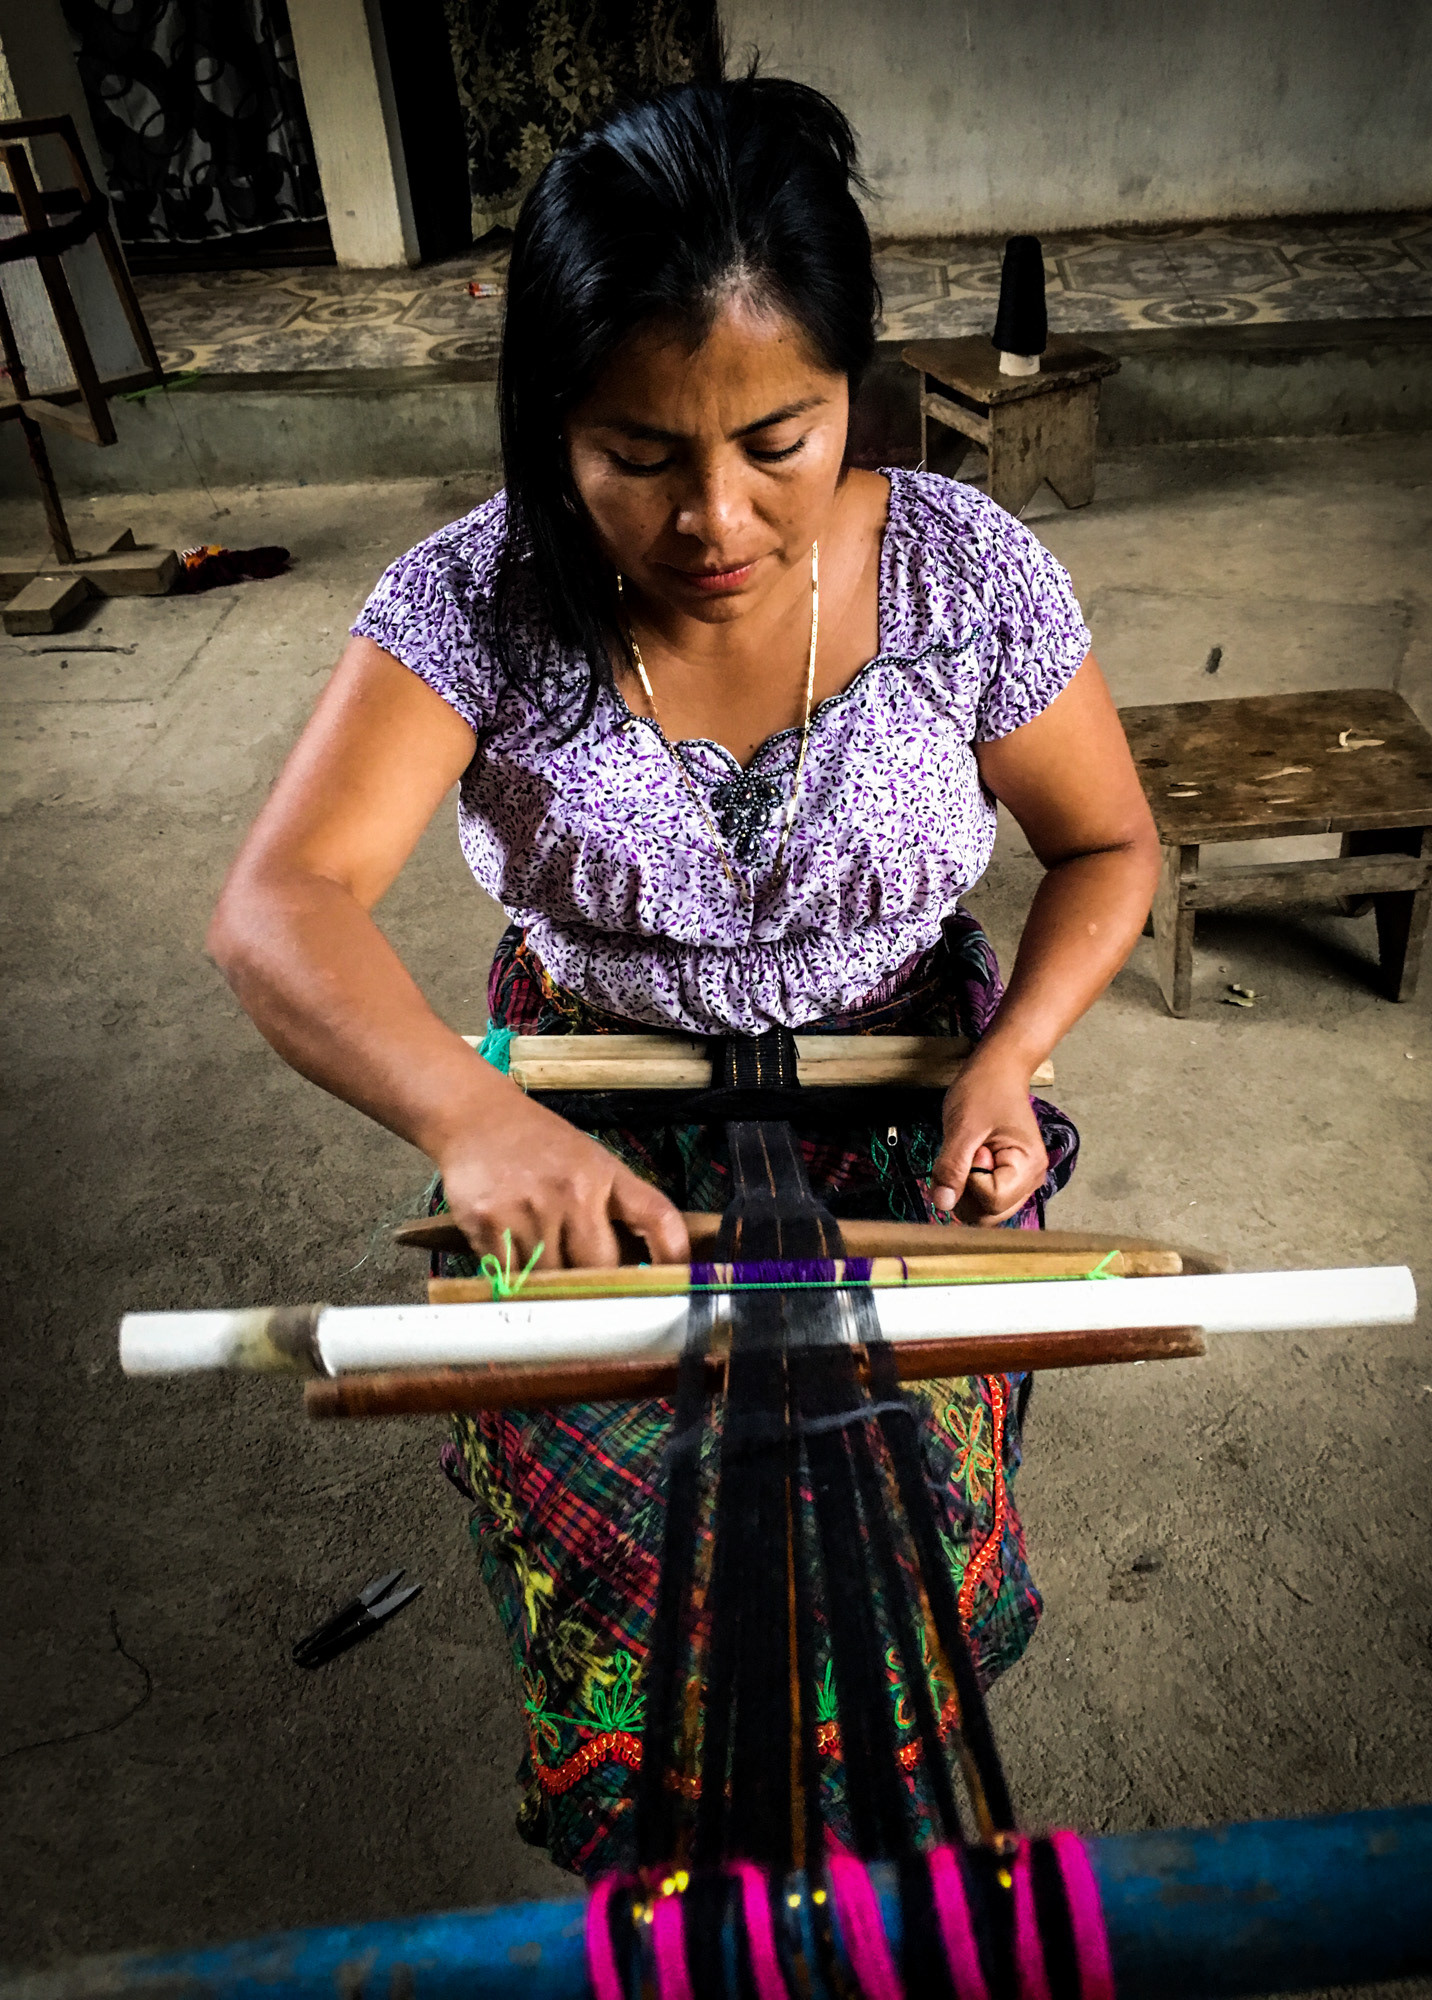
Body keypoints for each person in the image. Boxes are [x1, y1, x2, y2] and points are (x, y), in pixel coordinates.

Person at [209, 76, 1160, 1873]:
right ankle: (682, 1881)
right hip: (593, 1143)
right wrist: (472, 1119)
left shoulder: (962, 576)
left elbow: (1110, 847)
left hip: (902, 1135)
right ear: (551, 423)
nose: (716, 517)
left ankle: (873, 1871)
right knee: (638, 1556)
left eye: (780, 441)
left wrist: (1005, 1055)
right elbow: (278, 908)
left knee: (880, 1527)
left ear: (848, 397)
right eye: (640, 456)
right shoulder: (478, 599)